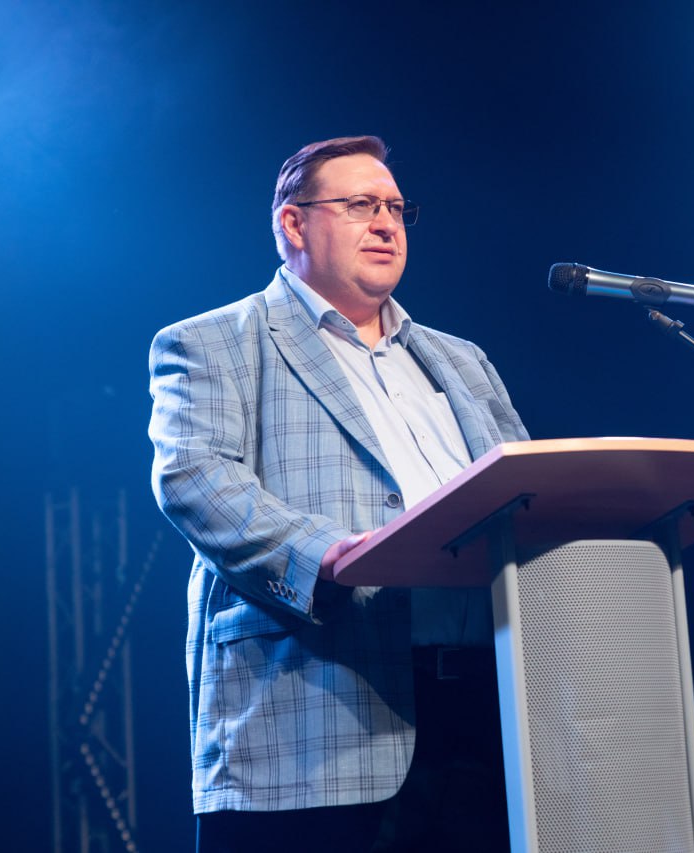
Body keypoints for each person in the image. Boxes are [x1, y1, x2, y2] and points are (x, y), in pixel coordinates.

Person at [148, 135, 528, 853]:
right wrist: (331, 555)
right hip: (317, 706)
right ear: (294, 224)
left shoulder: (461, 359)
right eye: (360, 205)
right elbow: (196, 480)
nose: (386, 224)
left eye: (396, 208)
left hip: (488, 710)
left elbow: (521, 493)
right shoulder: (214, 342)